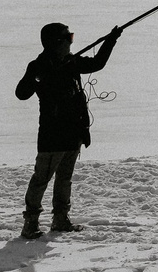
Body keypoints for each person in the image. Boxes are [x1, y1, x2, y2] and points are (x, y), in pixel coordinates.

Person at [14, 21, 119, 238]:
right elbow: (21, 93)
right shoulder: (38, 65)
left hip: (73, 132)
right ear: (57, 42)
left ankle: (60, 220)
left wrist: (111, 40)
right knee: (41, 179)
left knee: (64, 179)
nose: (72, 42)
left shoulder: (71, 62)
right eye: (68, 38)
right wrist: (38, 76)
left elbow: (97, 63)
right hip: (52, 135)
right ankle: (30, 223)